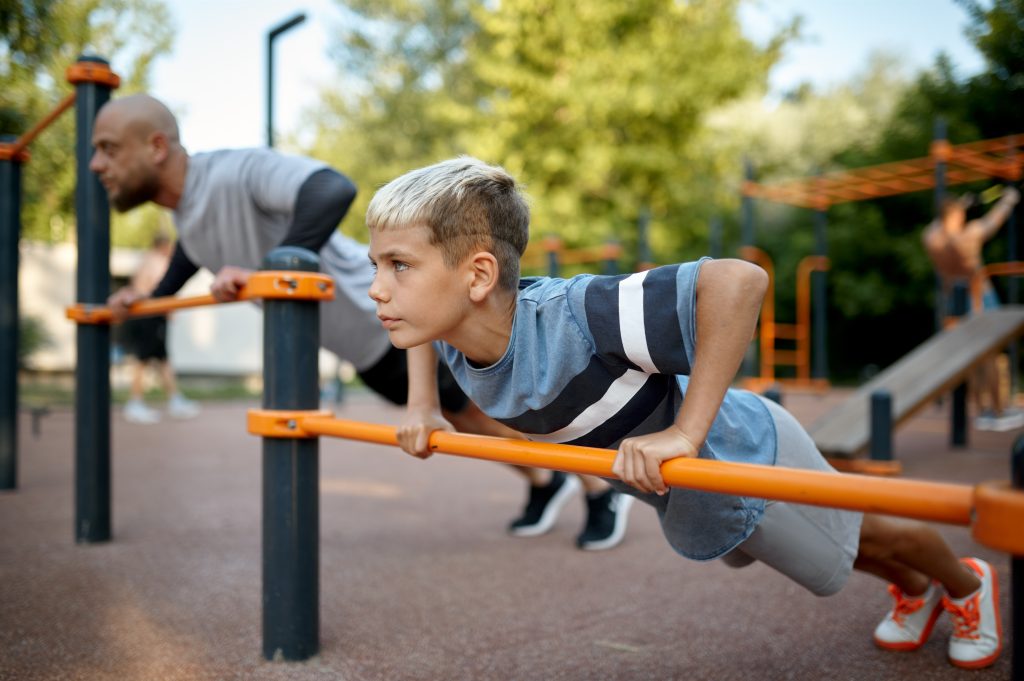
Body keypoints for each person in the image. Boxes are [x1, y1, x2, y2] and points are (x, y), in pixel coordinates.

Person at [366, 156, 1002, 670]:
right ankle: (917, 591)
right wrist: (424, 406)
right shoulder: (451, 326)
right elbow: (423, 335)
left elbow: (739, 282)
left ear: (478, 275)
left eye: (399, 266)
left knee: (867, 533)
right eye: (377, 265)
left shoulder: (580, 316)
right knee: (842, 553)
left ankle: (968, 584)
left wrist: (685, 432)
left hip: (743, 451)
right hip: (685, 490)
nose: (376, 289)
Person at [90, 94, 631, 549]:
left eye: (107, 149)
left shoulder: (237, 169)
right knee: (464, 421)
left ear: (156, 147)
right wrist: (147, 297)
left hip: (391, 318)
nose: (96, 164)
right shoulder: (188, 212)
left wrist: (271, 267)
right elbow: (193, 251)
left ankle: (597, 487)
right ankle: (544, 480)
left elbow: (331, 189)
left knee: (497, 410)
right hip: (359, 342)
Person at [923, 185, 1022, 431]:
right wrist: (1008, 201)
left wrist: (960, 207)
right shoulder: (968, 236)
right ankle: (998, 411)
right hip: (980, 298)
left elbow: (936, 226)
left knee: (972, 360)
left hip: (953, 301)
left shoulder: (933, 239)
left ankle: (981, 410)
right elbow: (993, 221)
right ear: (956, 215)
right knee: (992, 357)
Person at [118, 232, 200, 423]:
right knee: (143, 359)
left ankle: (174, 399)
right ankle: (135, 402)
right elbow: (161, 290)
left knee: (162, 359)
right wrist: (169, 311)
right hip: (151, 314)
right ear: (163, 246)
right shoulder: (156, 261)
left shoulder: (145, 260)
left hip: (146, 314)